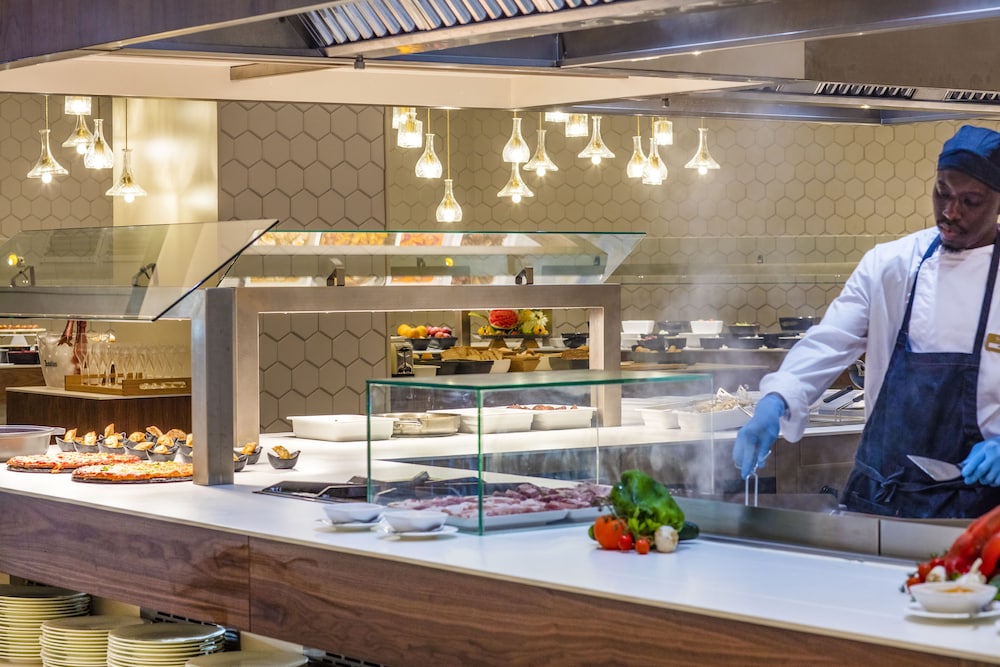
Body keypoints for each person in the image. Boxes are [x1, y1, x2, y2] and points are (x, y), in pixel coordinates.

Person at [733, 124, 1000, 518]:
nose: (950, 211)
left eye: (970, 201)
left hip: (981, 510)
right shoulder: (890, 265)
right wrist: (777, 399)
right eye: (942, 192)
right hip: (882, 500)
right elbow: (830, 340)